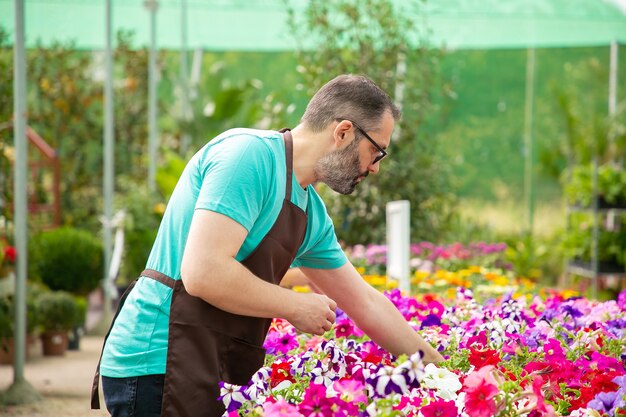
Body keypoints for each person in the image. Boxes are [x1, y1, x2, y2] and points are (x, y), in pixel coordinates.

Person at [91, 74, 444, 417]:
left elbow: (365, 302)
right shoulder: (248, 157)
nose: (375, 168)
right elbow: (203, 272)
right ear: (343, 132)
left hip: (209, 366)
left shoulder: (311, 214)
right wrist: (294, 306)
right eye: (376, 151)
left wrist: (442, 372)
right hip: (158, 361)